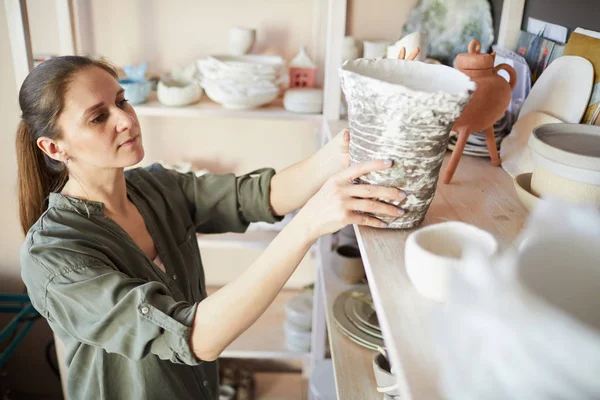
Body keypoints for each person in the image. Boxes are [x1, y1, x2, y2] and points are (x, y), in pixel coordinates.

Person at [16, 56, 405, 400]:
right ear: (54, 148)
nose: (126, 119)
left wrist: (342, 148)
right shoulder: (54, 256)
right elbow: (194, 336)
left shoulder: (156, 188)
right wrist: (306, 226)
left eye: (122, 101)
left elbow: (254, 195)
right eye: (99, 117)